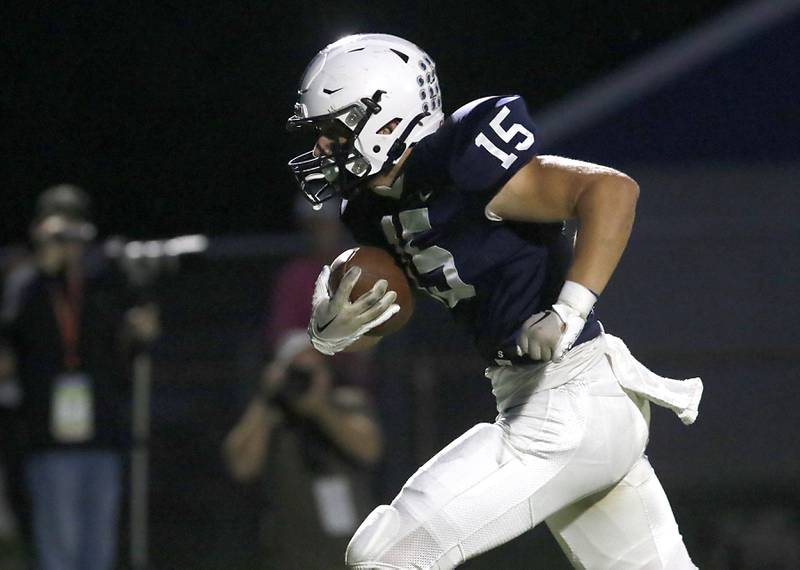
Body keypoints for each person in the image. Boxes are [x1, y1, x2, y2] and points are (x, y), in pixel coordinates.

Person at [284, 34, 704, 569]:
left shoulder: (463, 162)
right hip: (566, 404)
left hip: (566, 403)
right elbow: (398, 295)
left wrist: (567, 312)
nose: (322, 147)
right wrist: (330, 333)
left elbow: (611, 191)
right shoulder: (371, 208)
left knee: (383, 555)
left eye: (333, 130)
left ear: (386, 119)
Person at [0, 184, 159, 570]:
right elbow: (8, 344)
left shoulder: (99, 285)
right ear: (39, 232)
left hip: (102, 433)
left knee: (98, 548)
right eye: (58, 234)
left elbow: (120, 354)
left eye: (74, 234)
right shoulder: (26, 285)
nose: (67, 244)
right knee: (60, 547)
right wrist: (43, 265)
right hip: (49, 440)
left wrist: (139, 333)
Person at [223, 329, 383, 569]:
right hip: (290, 558)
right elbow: (241, 466)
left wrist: (320, 409)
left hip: (349, 557)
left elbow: (369, 450)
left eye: (312, 371)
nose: (304, 379)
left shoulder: (345, 404)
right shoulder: (272, 418)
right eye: (297, 372)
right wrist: (267, 399)